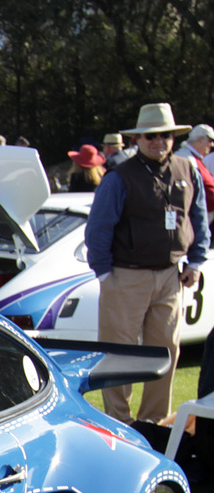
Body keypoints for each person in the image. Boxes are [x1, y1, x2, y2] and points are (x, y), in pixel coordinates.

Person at [85, 102, 208, 425]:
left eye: (165, 135)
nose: (159, 141)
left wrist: (196, 260)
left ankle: (153, 425)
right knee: (119, 355)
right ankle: (119, 423)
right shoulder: (118, 177)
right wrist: (106, 274)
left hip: (170, 276)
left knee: (166, 352)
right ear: (138, 139)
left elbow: (198, 220)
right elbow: (98, 229)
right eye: (151, 136)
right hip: (126, 276)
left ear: (173, 137)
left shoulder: (188, 169)